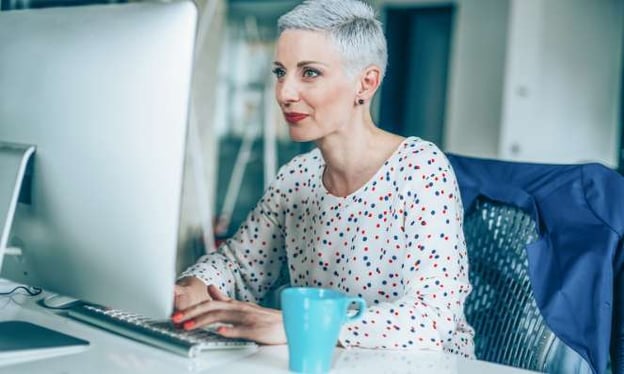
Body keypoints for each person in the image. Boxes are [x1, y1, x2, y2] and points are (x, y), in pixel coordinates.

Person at [172, 0, 475, 357]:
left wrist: (291, 324)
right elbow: (238, 267)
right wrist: (193, 285)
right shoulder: (296, 178)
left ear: (366, 82)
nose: (285, 93)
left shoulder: (421, 170)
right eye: (280, 72)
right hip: (325, 362)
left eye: (310, 73)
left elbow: (431, 318)